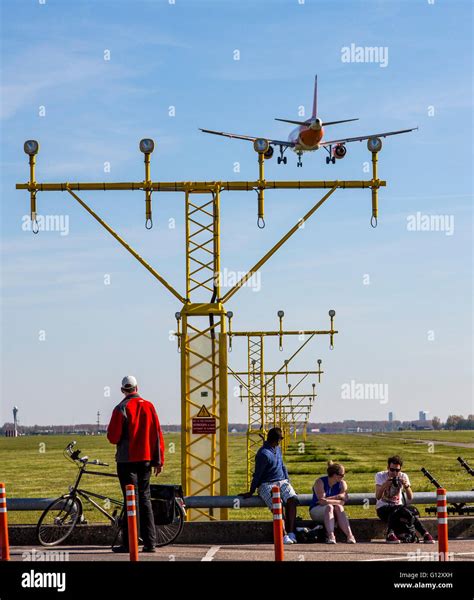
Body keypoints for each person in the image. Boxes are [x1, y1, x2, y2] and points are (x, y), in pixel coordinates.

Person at [107, 375, 165, 553]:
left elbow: (113, 437)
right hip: (146, 461)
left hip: (126, 461)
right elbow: (157, 434)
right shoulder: (149, 406)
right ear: (137, 388)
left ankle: (130, 543)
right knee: (145, 499)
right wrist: (158, 460)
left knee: (130, 501)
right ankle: (150, 542)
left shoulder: (121, 408)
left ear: (123, 390)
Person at [239, 427, 299, 544]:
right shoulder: (263, 454)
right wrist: (251, 491)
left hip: (282, 481)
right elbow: (257, 475)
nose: (280, 442)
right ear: (275, 440)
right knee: (278, 505)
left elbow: (283, 466)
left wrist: (288, 481)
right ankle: (284, 535)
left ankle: (291, 532)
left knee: (292, 500)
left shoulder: (277, 449)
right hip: (266, 484)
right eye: (280, 439)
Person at [375, 455, 434, 544]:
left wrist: (406, 486)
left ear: (400, 470)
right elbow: (378, 497)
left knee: (403, 510)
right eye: (392, 470)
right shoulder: (380, 475)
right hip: (383, 508)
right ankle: (424, 533)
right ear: (388, 468)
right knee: (398, 509)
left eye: (397, 470)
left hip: (399, 508)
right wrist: (384, 485)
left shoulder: (403, 476)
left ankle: (424, 533)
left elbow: (410, 497)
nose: (394, 473)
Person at [309, 461, 356, 544]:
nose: (343, 476)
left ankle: (350, 536)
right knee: (329, 507)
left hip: (333, 511)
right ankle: (331, 536)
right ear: (335, 475)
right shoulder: (320, 482)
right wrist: (338, 497)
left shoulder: (342, 484)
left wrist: (328, 500)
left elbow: (342, 502)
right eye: (342, 475)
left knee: (339, 507)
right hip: (316, 510)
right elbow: (321, 502)